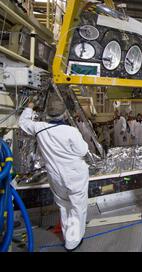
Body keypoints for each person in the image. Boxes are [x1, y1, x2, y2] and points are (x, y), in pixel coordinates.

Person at [19, 96, 89, 251]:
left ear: (48, 114)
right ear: (64, 114)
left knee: (64, 206)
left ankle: (69, 236)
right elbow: (83, 150)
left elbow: (23, 123)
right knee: (77, 207)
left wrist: (29, 107)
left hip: (56, 176)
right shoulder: (71, 131)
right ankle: (73, 240)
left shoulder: (40, 128)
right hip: (75, 175)